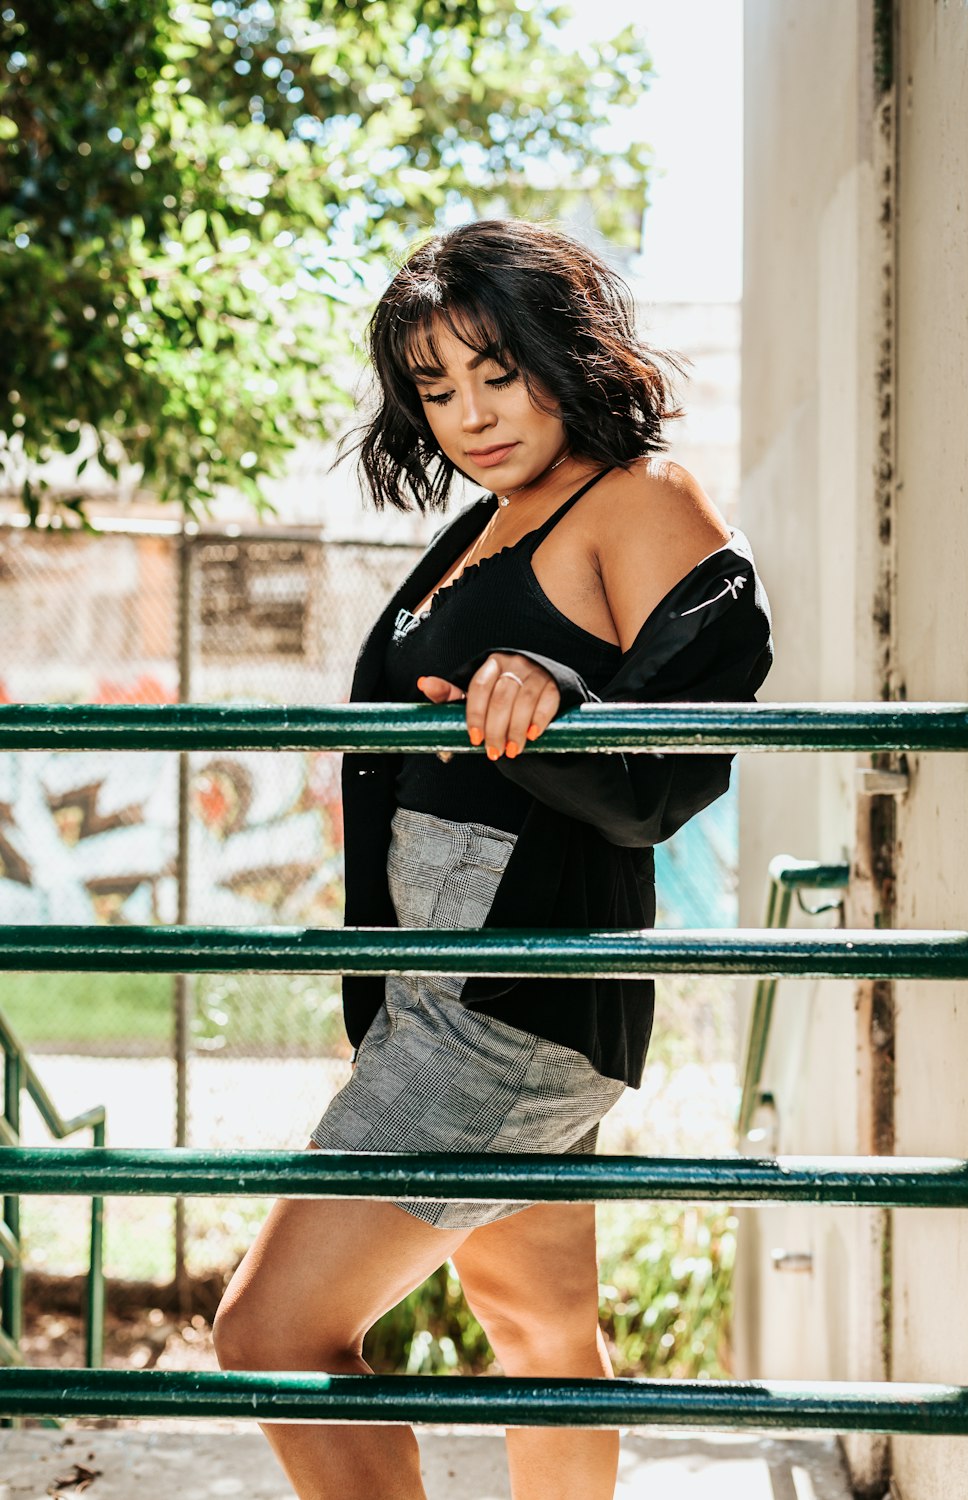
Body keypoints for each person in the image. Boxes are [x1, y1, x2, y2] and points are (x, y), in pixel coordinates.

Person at [212, 218, 774, 1500]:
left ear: (561, 353)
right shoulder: (488, 518)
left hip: (500, 1005)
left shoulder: (638, 495)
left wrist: (558, 687)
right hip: (440, 986)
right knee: (538, 1337)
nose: (468, 410)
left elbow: (679, 758)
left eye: (494, 370)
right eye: (434, 385)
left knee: (268, 1335)